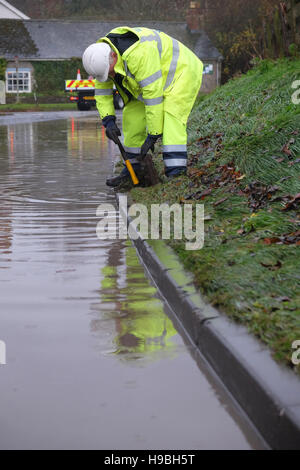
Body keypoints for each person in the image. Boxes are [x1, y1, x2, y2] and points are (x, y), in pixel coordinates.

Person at [82, 26, 203, 187]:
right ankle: (133, 170)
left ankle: (176, 176)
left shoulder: (138, 54)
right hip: (151, 81)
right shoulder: (101, 59)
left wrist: (153, 134)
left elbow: (153, 96)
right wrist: (108, 121)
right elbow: (102, 93)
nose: (111, 76)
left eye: (110, 72)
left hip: (182, 72)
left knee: (171, 118)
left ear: (113, 56)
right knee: (132, 116)